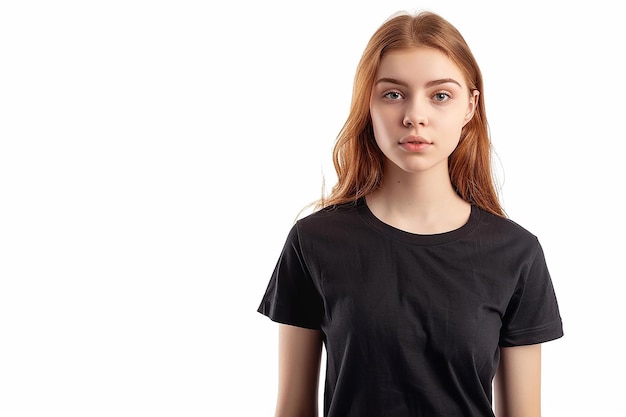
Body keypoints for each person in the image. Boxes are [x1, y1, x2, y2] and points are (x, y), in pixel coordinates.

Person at [257, 9, 563, 417]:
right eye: (393, 93)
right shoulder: (314, 242)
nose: (414, 116)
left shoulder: (516, 253)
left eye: (440, 95)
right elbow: (293, 408)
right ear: (368, 103)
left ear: (470, 106)